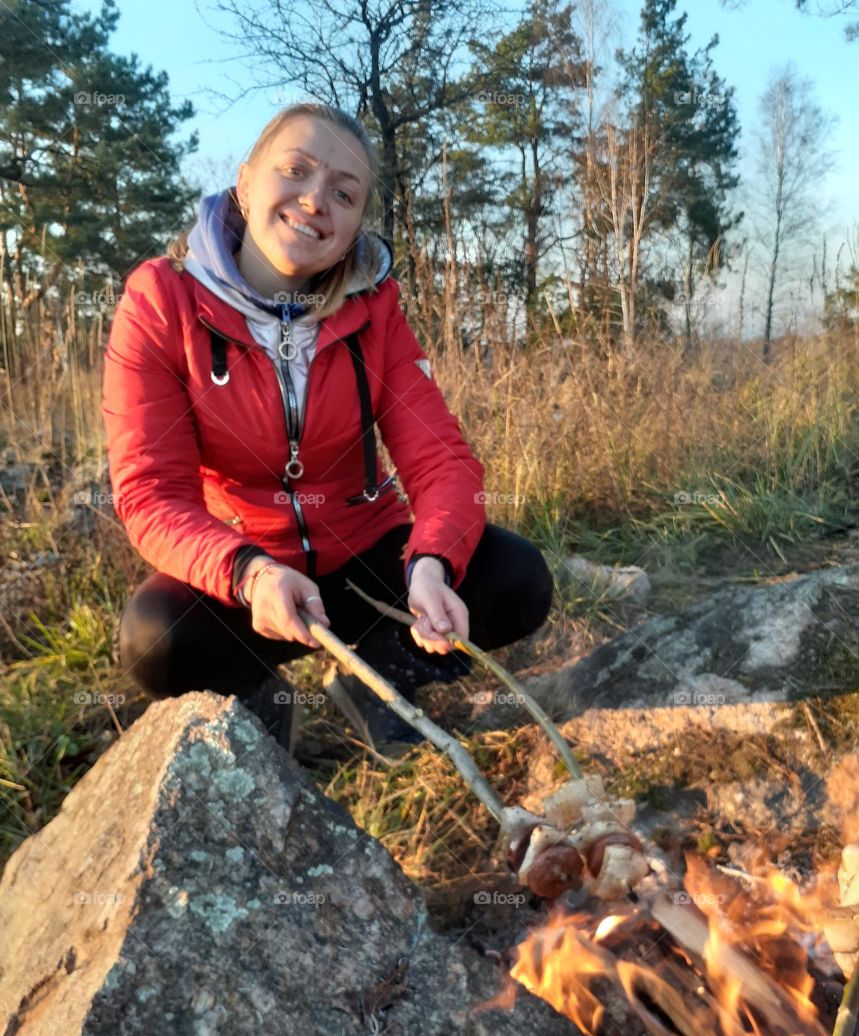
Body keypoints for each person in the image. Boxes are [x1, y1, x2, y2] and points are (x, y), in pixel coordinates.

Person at [104, 102, 553, 755]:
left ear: (353, 227)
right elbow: (149, 494)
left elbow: (442, 462)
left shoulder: (374, 310)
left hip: (368, 560)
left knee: (517, 577)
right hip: (251, 576)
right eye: (296, 170)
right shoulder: (161, 302)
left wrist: (431, 563)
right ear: (247, 180)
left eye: (343, 193)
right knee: (156, 637)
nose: (316, 200)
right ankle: (256, 694)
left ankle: (379, 680)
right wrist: (249, 572)